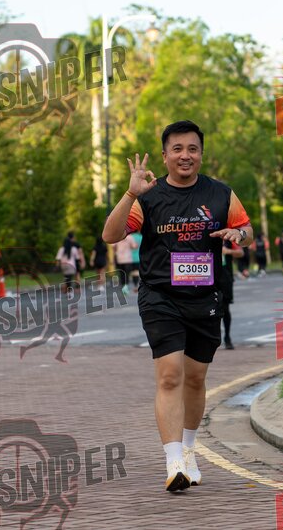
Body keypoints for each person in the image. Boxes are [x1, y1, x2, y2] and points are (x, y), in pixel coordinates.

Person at [101, 120, 252, 492]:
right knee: (170, 375)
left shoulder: (220, 193)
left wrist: (239, 234)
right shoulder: (148, 197)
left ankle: (187, 450)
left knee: (196, 378)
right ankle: (173, 463)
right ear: (165, 155)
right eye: (178, 149)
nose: (186, 156)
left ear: (201, 154)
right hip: (160, 296)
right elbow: (110, 235)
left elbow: (247, 231)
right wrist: (130, 193)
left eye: (192, 149)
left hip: (205, 297)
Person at [221, 240, 244, 349]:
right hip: (208, 278)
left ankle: (227, 337)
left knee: (225, 308)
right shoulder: (206, 236)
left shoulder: (228, 239)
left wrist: (228, 251)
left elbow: (241, 252)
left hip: (225, 278)